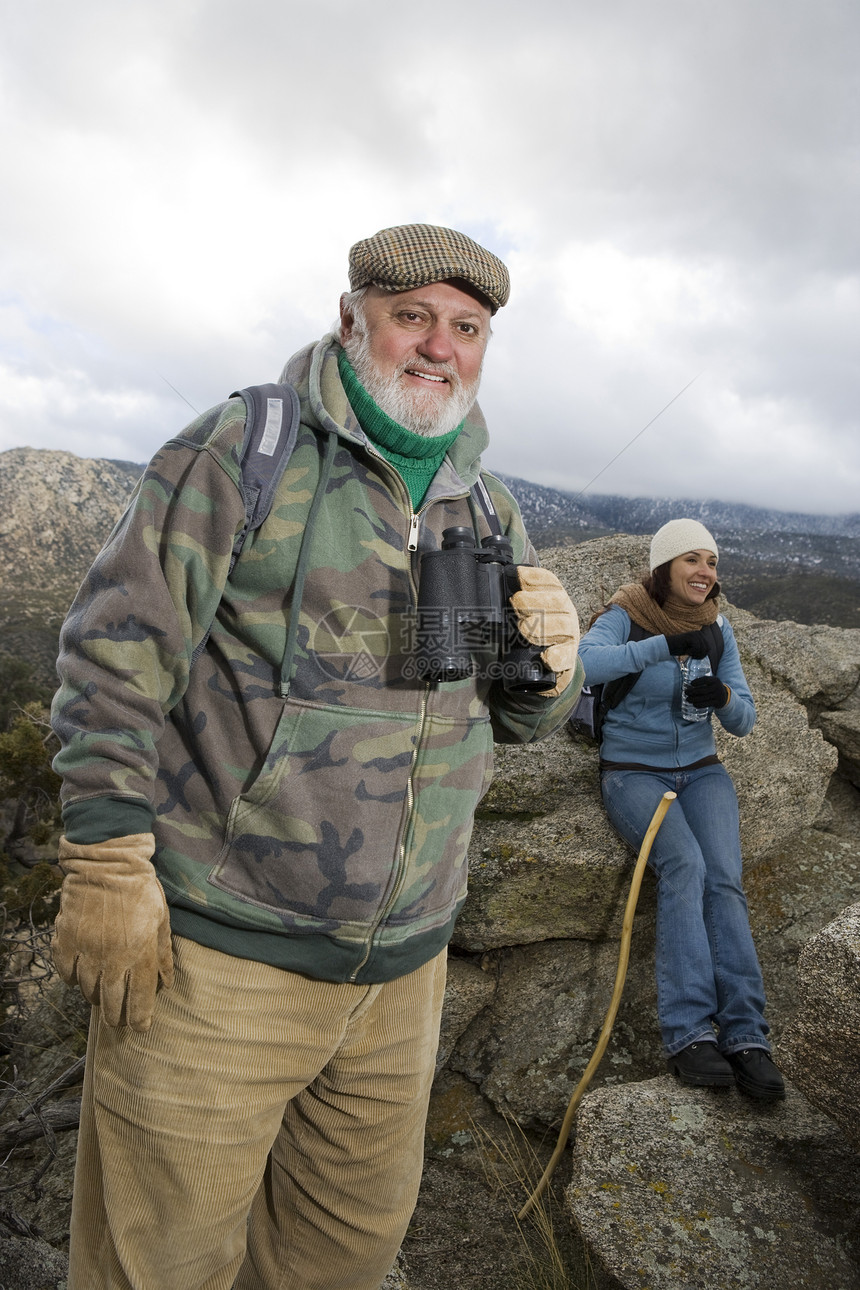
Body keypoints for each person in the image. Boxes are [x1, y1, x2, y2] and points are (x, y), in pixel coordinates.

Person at [49, 222, 583, 1290]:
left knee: (337, 1262)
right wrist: (107, 864)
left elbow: (512, 724)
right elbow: (113, 655)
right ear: (352, 322)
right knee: (160, 1266)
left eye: (465, 328)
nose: (438, 347)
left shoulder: (486, 505)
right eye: (411, 317)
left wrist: (553, 673)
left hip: (402, 977)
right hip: (219, 963)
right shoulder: (246, 448)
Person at [577, 518, 784, 1101]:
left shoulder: (717, 627)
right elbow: (584, 666)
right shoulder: (627, 611)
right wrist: (662, 647)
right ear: (665, 566)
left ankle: (747, 1036)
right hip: (632, 771)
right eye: (692, 560)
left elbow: (744, 718)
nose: (705, 573)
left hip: (703, 770)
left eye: (712, 562)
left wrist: (721, 697)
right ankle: (690, 1031)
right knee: (685, 865)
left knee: (724, 881)